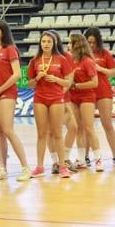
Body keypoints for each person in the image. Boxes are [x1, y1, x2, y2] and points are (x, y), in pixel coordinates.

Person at [0, 20, 31, 181]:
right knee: (0, 131)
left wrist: (0, 89)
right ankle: (2, 168)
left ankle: (25, 167)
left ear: (3, 32)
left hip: (7, 93)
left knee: (7, 129)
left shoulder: (10, 49)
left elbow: (17, 74)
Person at [28, 32, 73, 178]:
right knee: (42, 134)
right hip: (39, 98)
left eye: (49, 41)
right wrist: (37, 78)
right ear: (40, 43)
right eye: (43, 41)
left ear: (53, 43)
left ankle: (62, 166)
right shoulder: (35, 60)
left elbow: (68, 82)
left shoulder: (61, 59)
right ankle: (40, 167)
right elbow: (29, 84)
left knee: (57, 133)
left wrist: (55, 79)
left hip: (56, 98)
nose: (46, 44)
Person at [84, 27, 115, 168]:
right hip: (87, 92)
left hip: (103, 91)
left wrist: (100, 69)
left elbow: (113, 72)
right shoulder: (82, 55)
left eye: (94, 42)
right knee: (87, 126)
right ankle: (85, 156)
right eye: (89, 42)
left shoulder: (105, 53)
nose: (91, 45)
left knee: (107, 124)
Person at [69, 33, 104, 171]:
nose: (68, 46)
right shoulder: (70, 60)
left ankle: (98, 159)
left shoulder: (88, 61)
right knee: (78, 128)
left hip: (86, 97)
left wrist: (77, 86)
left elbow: (94, 82)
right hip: (73, 97)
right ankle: (81, 159)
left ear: (76, 44)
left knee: (89, 128)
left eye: (70, 43)